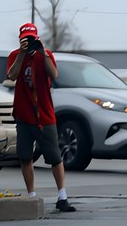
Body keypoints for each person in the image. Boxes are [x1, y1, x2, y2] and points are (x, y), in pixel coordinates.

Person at [6, 22, 76, 212]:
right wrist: (21, 54)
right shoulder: (14, 55)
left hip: (44, 115)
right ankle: (31, 196)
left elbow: (54, 75)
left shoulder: (45, 55)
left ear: (36, 37)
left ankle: (62, 196)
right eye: (24, 39)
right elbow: (12, 75)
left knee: (55, 156)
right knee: (25, 156)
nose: (27, 42)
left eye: (31, 38)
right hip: (23, 114)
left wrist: (43, 52)